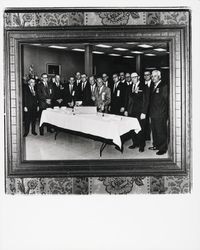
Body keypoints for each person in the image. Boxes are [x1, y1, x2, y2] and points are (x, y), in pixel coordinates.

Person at [124, 72, 147, 152]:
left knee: (140, 128)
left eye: (135, 77)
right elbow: (127, 100)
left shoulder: (143, 86)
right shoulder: (129, 87)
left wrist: (144, 112)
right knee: (132, 128)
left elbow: (146, 100)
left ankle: (141, 145)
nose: (133, 79)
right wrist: (126, 110)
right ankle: (135, 143)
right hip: (131, 111)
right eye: (132, 77)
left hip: (140, 112)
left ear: (138, 77)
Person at [149, 70, 169, 155]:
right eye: (152, 76)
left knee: (161, 131)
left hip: (160, 113)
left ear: (159, 77)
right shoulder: (153, 86)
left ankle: (163, 148)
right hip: (153, 113)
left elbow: (166, 101)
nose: (153, 78)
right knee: (155, 131)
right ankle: (156, 145)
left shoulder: (163, 86)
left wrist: (166, 114)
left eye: (155, 76)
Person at [143, 71, 153, 141]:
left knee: (151, 123)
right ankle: (146, 136)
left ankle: (150, 137)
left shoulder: (153, 84)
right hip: (144, 106)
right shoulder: (142, 84)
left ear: (150, 76)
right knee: (145, 122)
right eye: (145, 75)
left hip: (152, 107)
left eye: (148, 75)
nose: (146, 76)